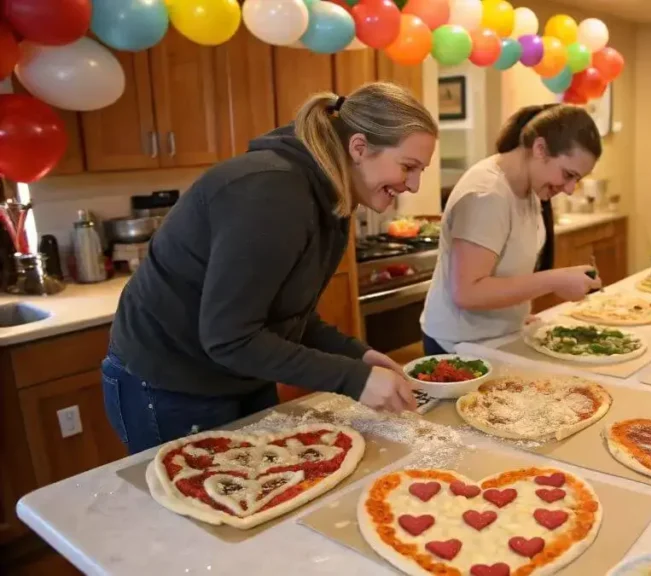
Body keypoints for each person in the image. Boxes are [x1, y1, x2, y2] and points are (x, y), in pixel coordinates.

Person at [103, 83, 438, 454]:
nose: (413, 184)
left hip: (239, 373)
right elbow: (230, 337)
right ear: (358, 147)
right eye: (408, 167)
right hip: (171, 381)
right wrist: (353, 378)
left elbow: (283, 314)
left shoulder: (332, 195)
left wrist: (355, 354)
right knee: (197, 508)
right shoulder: (270, 193)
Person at [420, 104, 603, 354]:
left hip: (494, 337)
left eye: (577, 180)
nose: (570, 189)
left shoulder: (530, 188)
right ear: (540, 149)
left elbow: (506, 270)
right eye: (568, 175)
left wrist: (513, 316)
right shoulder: (486, 194)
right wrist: (555, 280)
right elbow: (467, 292)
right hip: (459, 347)